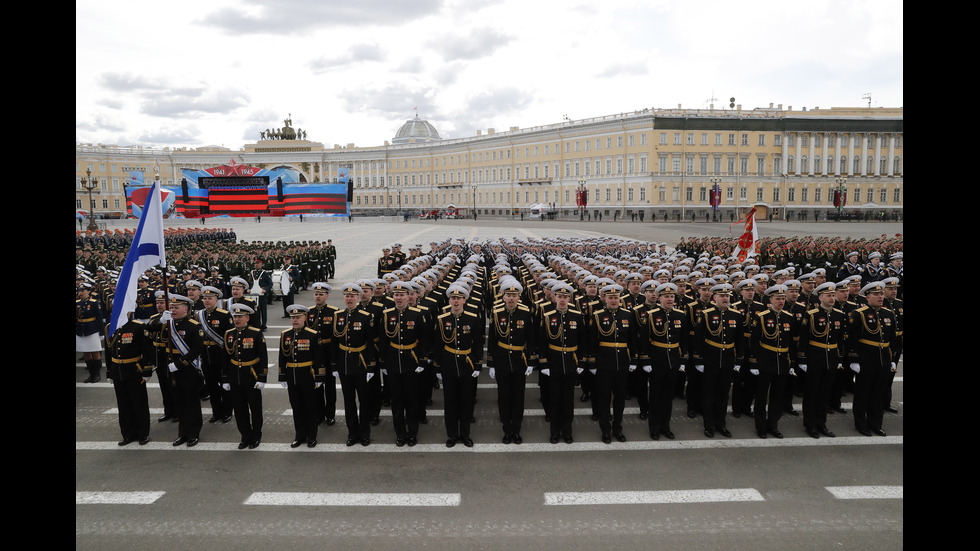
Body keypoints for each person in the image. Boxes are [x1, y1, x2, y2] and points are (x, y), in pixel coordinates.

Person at [431, 283, 485, 448]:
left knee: (466, 402)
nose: (455, 301)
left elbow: (478, 343)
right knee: (451, 402)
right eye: (453, 298)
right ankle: (452, 435)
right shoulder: (442, 320)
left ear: (464, 300)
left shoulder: (472, 318)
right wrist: (438, 367)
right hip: (448, 365)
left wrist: (477, 365)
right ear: (449, 300)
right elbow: (437, 345)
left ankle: (465, 434)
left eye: (459, 298)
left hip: (466, 364)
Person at [378, 281, 429, 446]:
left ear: (409, 296)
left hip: (411, 361)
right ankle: (400, 433)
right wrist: (383, 363)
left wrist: (422, 359)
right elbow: (383, 340)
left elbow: (424, 339)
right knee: (397, 401)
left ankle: (412, 432)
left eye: (402, 295)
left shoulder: (417, 314)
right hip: (393, 362)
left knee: (412, 400)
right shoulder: (387, 315)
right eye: (396, 295)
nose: (398, 298)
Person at [487, 279, 537, 444]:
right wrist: (491, 363)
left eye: (514, 295)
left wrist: (531, 362)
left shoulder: (526, 313)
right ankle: (506, 429)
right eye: (508, 295)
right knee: (504, 396)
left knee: (518, 396)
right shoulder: (497, 313)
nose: (511, 298)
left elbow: (530, 339)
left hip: (519, 360)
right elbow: (493, 340)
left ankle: (516, 429)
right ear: (503, 297)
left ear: (519, 297)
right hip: (502, 360)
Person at [693, 283, 745, 438]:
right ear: (714, 297)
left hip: (728, 359)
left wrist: (739, 360)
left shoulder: (736, 315)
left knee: (723, 394)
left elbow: (740, 340)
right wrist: (699, 360)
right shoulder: (705, 314)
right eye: (722, 296)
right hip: (710, 360)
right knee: (708, 395)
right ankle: (709, 425)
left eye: (727, 296)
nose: (725, 298)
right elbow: (698, 339)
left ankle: (721, 424)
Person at [587, 283, 637, 444]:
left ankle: (617, 428)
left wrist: (634, 359)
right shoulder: (597, 316)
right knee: (603, 398)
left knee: (620, 399)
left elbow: (632, 339)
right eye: (610, 298)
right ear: (605, 298)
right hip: (604, 363)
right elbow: (593, 342)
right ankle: (605, 430)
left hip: (622, 362)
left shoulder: (628, 315)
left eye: (616, 297)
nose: (614, 300)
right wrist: (593, 363)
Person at [154, 293, 205, 447]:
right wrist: (162, 320)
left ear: (186, 309)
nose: (173, 310)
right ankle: (182, 433)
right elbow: (150, 329)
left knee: (191, 402)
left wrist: (181, 363)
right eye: (171, 307)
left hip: (188, 369)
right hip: (171, 368)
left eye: (176, 307)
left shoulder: (193, 326)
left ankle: (194, 433)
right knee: (179, 402)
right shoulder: (167, 323)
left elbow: (197, 349)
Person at [848, 281, 897, 436]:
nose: (880, 297)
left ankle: (876, 424)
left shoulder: (888, 313)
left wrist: (893, 358)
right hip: (866, 359)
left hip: (883, 359)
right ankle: (861, 424)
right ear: (867, 297)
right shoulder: (859, 314)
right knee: (863, 393)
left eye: (881, 294)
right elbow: (852, 339)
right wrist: (854, 360)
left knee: (879, 393)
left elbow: (893, 339)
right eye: (876, 294)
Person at [639, 282, 688, 440]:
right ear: (659, 298)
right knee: (655, 397)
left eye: (672, 296)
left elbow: (684, 340)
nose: (670, 299)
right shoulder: (651, 315)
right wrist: (646, 361)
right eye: (666, 296)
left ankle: (666, 427)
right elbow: (645, 340)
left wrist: (682, 360)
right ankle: (654, 427)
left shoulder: (680, 315)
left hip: (673, 360)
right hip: (656, 361)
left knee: (668, 397)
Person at [797, 282, 845, 438]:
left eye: (833, 295)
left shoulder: (839, 314)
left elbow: (840, 339)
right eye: (828, 296)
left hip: (830, 357)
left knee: (825, 393)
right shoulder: (811, 314)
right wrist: (802, 359)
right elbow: (803, 339)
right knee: (811, 392)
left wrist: (839, 358)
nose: (832, 298)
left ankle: (821, 423)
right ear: (820, 297)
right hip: (814, 357)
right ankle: (810, 425)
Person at [749, 284, 797, 439]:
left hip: (782, 362)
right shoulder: (762, 317)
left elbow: (792, 343)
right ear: (771, 299)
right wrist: (754, 362)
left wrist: (792, 363)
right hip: (765, 361)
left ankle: (773, 424)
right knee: (762, 396)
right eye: (778, 298)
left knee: (778, 397)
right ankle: (761, 426)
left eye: (783, 298)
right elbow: (754, 341)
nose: (781, 301)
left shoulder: (789, 317)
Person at [332, 283, 377, 446]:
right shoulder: (338, 316)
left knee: (364, 401)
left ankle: (364, 433)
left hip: (361, 363)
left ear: (358, 298)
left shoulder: (366, 316)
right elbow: (334, 343)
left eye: (352, 296)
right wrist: (334, 365)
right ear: (344, 298)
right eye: (347, 296)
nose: (349, 299)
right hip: (344, 364)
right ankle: (352, 433)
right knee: (349, 401)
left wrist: (371, 366)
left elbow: (371, 343)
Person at [222, 302, 268, 449]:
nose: (237, 319)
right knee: (239, 409)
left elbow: (263, 357)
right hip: (235, 376)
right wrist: (225, 379)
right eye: (235, 316)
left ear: (247, 318)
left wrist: (262, 377)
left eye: (240, 316)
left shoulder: (255, 333)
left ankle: (256, 435)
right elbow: (225, 358)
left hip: (251, 375)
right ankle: (245, 435)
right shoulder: (229, 334)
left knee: (255, 408)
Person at [104, 316, 155, 446]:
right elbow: (108, 351)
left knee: (139, 403)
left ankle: (143, 433)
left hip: (134, 369)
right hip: (118, 370)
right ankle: (128, 434)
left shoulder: (138, 327)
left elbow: (147, 349)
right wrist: (109, 371)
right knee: (123, 404)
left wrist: (147, 369)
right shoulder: (110, 327)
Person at [280, 304, 326, 448]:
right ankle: (299, 435)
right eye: (293, 317)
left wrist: (320, 377)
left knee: (310, 407)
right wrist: (282, 375)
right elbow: (282, 356)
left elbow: (319, 358)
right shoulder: (285, 335)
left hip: (308, 375)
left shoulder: (313, 335)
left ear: (304, 318)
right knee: (297, 407)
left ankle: (311, 436)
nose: (295, 320)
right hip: (292, 376)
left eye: (298, 317)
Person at [197, 286, 233, 425]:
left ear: (216, 300)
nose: (206, 301)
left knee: (224, 384)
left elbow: (229, 337)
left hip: (220, 354)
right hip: (206, 354)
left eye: (209, 298)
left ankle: (227, 411)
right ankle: (216, 412)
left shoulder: (224, 315)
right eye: (205, 298)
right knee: (211, 386)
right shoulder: (199, 315)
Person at [306, 282, 337, 426]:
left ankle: (330, 414)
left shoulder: (334, 312)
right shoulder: (308, 312)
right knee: (317, 385)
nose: (318, 297)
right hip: (314, 354)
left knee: (330, 386)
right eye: (316, 294)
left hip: (329, 352)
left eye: (321, 294)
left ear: (327, 296)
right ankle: (319, 414)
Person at [77, 283, 104, 383]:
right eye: (79, 291)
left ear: (89, 291)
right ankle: (91, 374)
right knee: (86, 352)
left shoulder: (94, 302)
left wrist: (101, 332)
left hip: (92, 330)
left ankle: (97, 374)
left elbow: (99, 318)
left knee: (95, 351)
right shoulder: (77, 303)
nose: (81, 293)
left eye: (83, 291)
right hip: (80, 330)